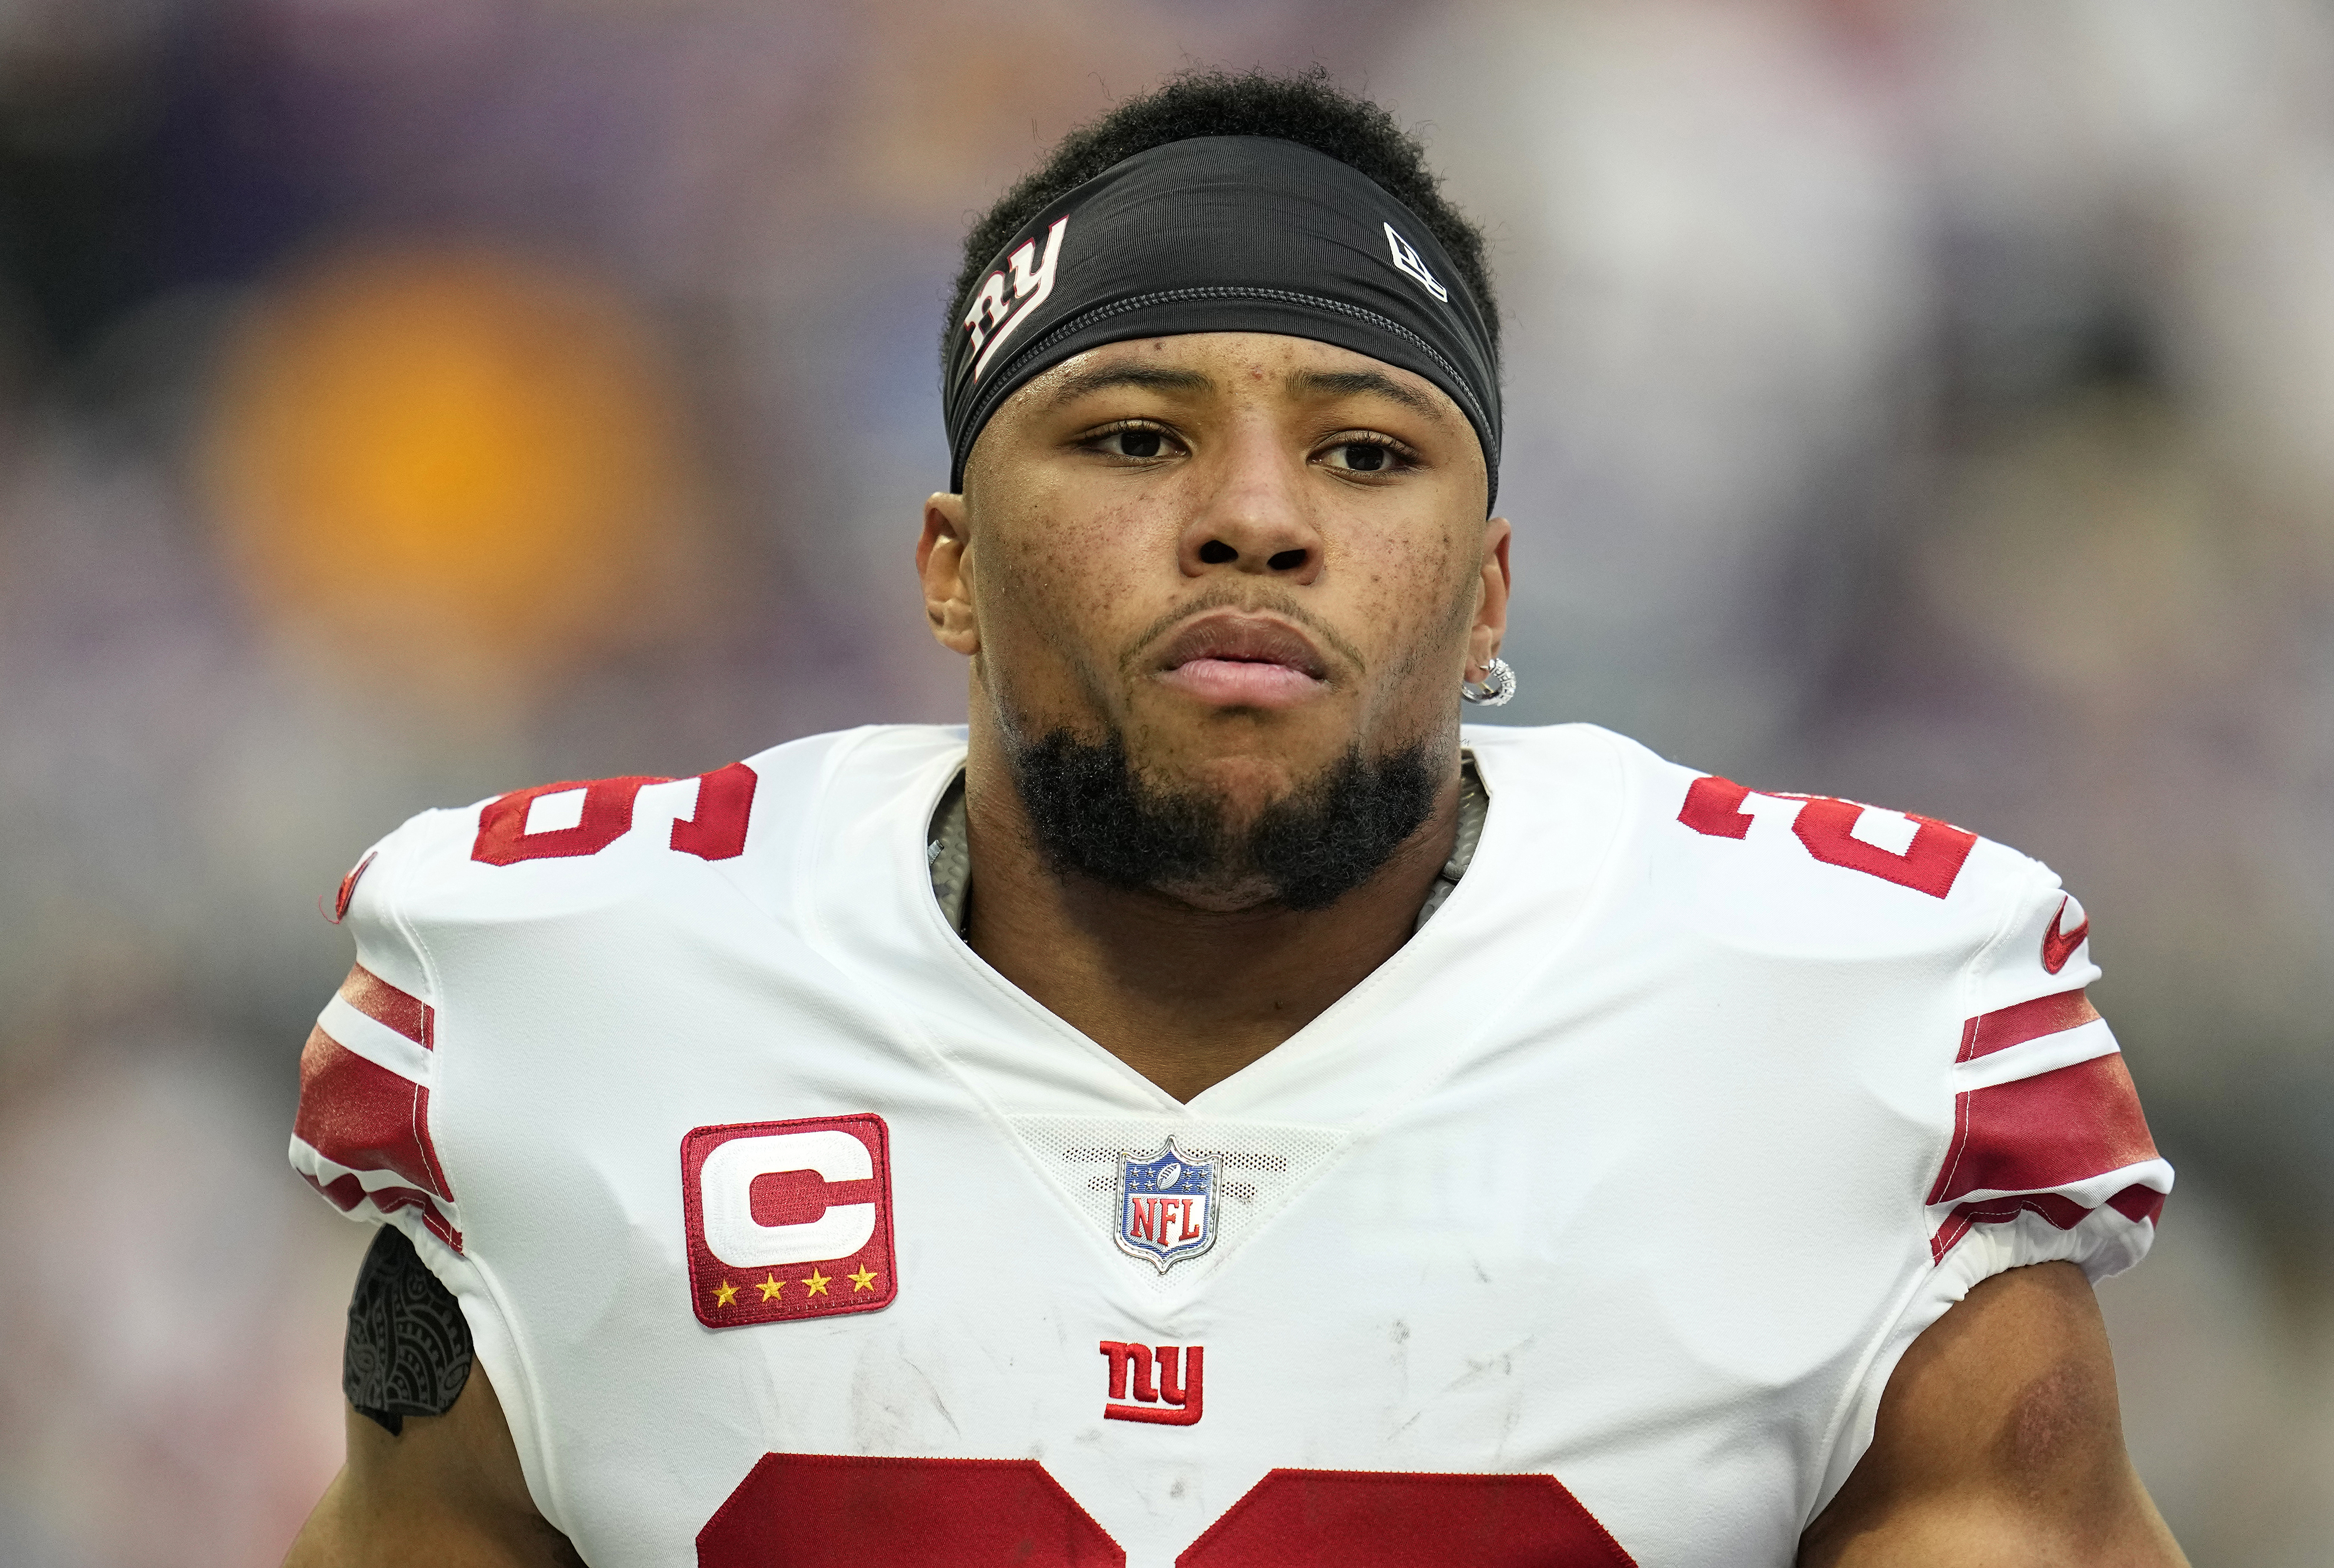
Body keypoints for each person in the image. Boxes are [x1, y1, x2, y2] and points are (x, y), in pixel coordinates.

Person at [283, 68, 2187, 1567]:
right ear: (948, 563)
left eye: (1366, 452)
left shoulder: (1841, 1023)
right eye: (1133, 436)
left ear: (1492, 589)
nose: (1257, 517)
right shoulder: (577, 993)